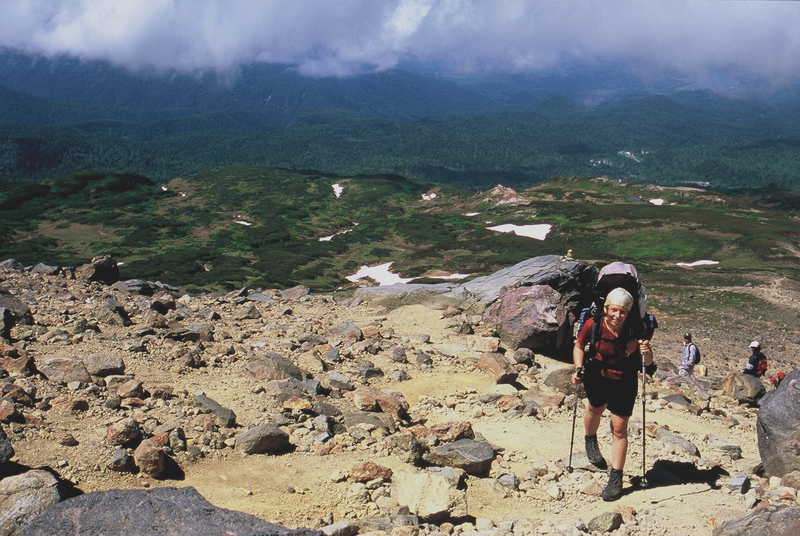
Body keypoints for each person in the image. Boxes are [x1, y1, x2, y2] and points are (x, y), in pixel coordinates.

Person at [571, 287, 654, 502]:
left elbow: (648, 363)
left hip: (624, 380)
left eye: (623, 312)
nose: (617, 316)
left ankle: (616, 478)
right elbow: (579, 346)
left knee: (619, 428)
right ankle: (590, 439)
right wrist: (578, 368)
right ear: (607, 308)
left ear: (628, 313)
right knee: (595, 409)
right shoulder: (594, 324)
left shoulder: (636, 330)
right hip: (597, 374)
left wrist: (646, 351)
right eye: (614, 310)